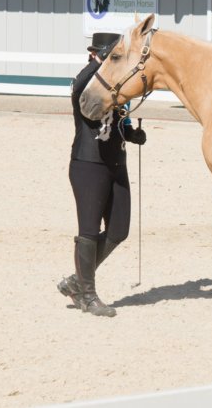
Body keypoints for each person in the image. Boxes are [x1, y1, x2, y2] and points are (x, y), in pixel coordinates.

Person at [57, 32, 147, 317]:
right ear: (98, 55)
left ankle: (77, 279)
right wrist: (103, 63)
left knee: (119, 229)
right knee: (88, 230)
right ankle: (87, 294)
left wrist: (131, 133)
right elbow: (83, 88)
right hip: (87, 164)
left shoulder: (115, 87)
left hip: (116, 162)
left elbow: (118, 120)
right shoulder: (86, 81)